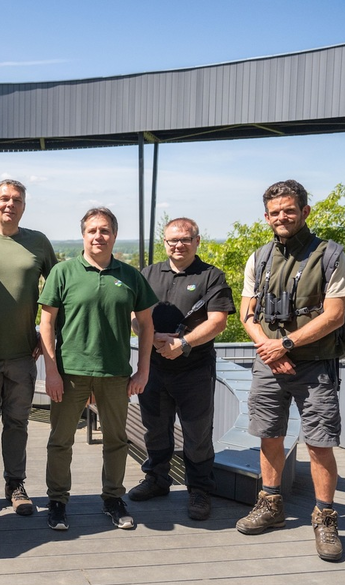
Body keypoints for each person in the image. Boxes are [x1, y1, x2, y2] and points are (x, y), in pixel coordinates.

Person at [237, 180, 343, 561]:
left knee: (319, 442)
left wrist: (285, 344)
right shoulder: (259, 257)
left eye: (289, 210)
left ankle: (325, 517)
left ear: (305, 212)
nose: (282, 217)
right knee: (268, 434)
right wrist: (268, 348)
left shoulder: (331, 255)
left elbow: (336, 314)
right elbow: (248, 313)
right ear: (266, 216)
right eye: (275, 212)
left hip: (314, 364)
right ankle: (271, 505)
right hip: (270, 362)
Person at [39, 207, 157, 531]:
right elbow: (46, 323)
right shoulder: (63, 273)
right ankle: (58, 501)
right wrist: (50, 370)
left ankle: (113, 499)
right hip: (70, 372)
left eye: (105, 230)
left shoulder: (130, 276)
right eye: (92, 230)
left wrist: (143, 370)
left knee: (116, 440)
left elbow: (147, 325)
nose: (98, 236)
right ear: (83, 235)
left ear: (115, 236)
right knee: (61, 440)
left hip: (116, 373)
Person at [129, 217, 234, 520]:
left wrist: (184, 344)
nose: (178, 245)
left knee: (197, 433)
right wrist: (152, 335)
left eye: (185, 239)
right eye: (172, 240)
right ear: (165, 242)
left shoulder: (210, 276)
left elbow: (218, 322)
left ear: (197, 241)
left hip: (195, 371)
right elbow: (133, 315)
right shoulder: (147, 274)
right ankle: (157, 480)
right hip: (154, 368)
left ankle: (199, 489)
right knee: (155, 429)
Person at [0, 179, 58, 518]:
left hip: (22, 352)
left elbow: (58, 291)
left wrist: (45, 334)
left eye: (16, 199)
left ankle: (15, 484)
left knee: (18, 422)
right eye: (4, 198)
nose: (10, 204)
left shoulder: (38, 243)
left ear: (23, 206)